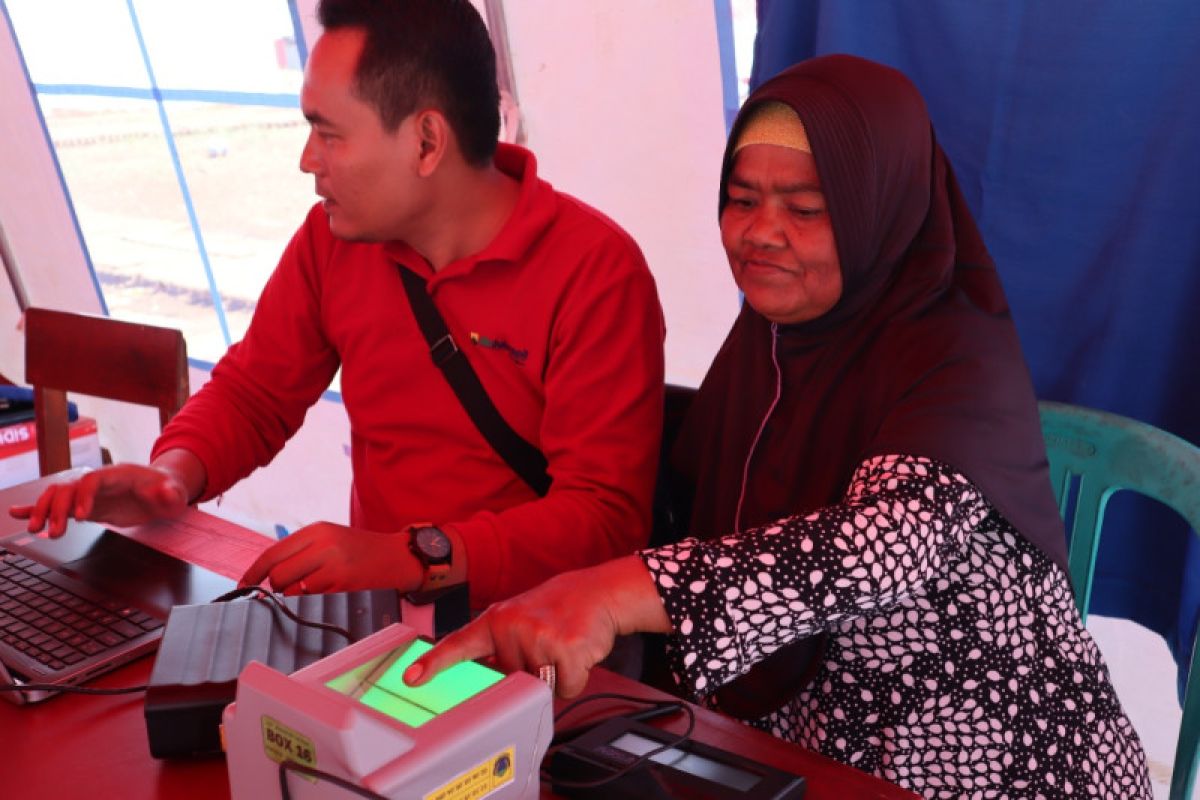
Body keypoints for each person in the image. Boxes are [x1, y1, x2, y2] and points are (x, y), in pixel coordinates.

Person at [407, 54, 1153, 798]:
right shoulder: (771, 340)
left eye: (804, 208)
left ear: (877, 208)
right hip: (813, 744)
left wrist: (611, 594)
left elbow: (881, 545)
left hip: (996, 758)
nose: (761, 233)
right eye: (742, 199)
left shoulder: (955, 359)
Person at [9, 0, 665, 611]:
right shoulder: (335, 240)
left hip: (543, 637)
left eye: (328, 133)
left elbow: (602, 517)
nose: (306, 160)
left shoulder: (595, 271)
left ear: (426, 142)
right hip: (384, 618)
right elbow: (256, 390)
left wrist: (412, 555)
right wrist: (172, 476)